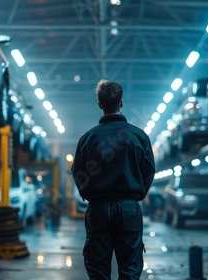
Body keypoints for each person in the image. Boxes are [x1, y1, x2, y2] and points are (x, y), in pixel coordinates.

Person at [71, 79, 156, 280]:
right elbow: (149, 170)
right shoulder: (139, 136)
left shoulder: (88, 138)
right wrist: (136, 194)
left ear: (100, 104)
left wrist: (89, 193)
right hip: (129, 209)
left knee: (98, 269)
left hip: (98, 208)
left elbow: (77, 172)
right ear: (122, 102)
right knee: (130, 268)